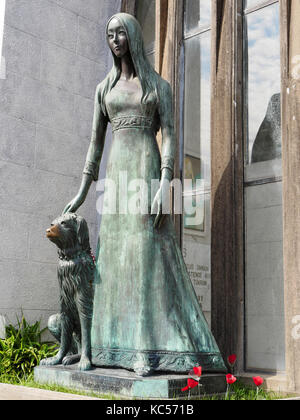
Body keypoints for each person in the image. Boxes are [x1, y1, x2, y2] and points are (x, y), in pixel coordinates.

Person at [63, 13, 225, 376]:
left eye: (120, 33)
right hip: (118, 177)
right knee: (115, 259)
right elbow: (95, 145)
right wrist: (81, 192)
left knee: (147, 258)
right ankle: (109, 346)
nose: (114, 40)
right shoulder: (104, 89)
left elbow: (169, 135)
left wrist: (166, 182)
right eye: (109, 34)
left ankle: (149, 349)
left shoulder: (158, 87)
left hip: (149, 173)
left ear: (133, 36)